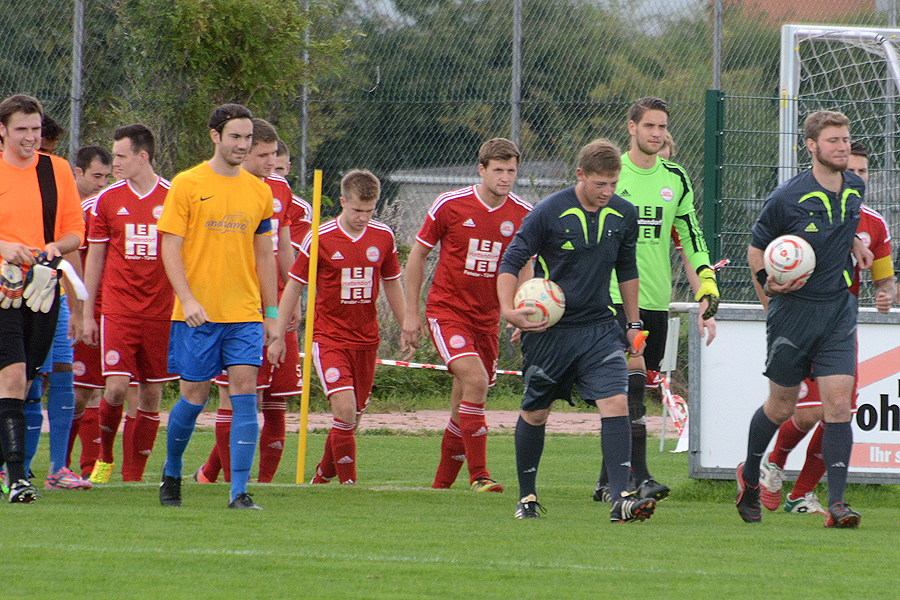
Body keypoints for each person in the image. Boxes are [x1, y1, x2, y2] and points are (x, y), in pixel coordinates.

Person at [498, 138, 656, 522]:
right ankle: (527, 497)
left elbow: (627, 269)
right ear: (581, 175)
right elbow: (512, 259)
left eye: (614, 184)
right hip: (550, 332)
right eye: (600, 183)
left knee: (616, 402)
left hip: (599, 327)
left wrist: (633, 324)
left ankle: (620, 498)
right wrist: (508, 311)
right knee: (536, 413)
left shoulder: (624, 213)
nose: (608, 191)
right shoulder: (548, 212)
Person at [737, 110, 872, 528]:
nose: (842, 147)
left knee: (839, 405)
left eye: (845, 139)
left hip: (837, 312)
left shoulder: (854, 186)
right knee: (781, 407)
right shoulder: (786, 197)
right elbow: (756, 249)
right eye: (833, 140)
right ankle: (750, 475)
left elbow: (843, 225)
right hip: (792, 316)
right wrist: (769, 291)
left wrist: (856, 244)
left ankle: (837, 504)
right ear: (811, 146)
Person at [756, 141, 894, 515]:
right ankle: (772, 463)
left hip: (841, 325)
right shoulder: (808, 208)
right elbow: (771, 253)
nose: (857, 177)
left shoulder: (874, 224)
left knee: (839, 410)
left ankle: (801, 494)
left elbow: (884, 277)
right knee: (805, 413)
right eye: (853, 170)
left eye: (863, 172)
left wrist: (886, 293)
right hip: (803, 320)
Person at [593, 97, 719, 504]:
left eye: (662, 126)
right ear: (631, 127)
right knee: (628, 384)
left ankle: (606, 480)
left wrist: (706, 287)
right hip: (611, 297)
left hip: (654, 299)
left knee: (631, 388)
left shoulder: (675, 178)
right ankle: (639, 477)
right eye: (649, 125)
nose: (657, 133)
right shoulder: (613, 173)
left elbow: (691, 239)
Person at [157, 103, 278, 509]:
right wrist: (188, 298)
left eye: (248, 137)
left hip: (244, 313)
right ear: (215, 136)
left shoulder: (260, 191)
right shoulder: (187, 184)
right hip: (198, 315)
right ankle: (173, 471)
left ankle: (238, 492)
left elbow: (264, 255)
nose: (242, 145)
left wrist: (271, 313)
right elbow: (169, 247)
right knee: (194, 396)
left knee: (245, 392)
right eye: (235, 137)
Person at [402, 138, 531, 492]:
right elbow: (417, 255)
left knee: (463, 406)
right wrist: (411, 313)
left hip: (486, 320)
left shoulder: (523, 214)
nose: (505, 178)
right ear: (482, 170)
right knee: (475, 380)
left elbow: (525, 267)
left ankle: (441, 488)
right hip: (447, 311)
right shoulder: (451, 204)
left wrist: (520, 310)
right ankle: (480, 476)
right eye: (498, 170)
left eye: (511, 171)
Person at [268, 169, 411, 485]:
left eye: (369, 210)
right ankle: (349, 485)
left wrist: (407, 324)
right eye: (357, 209)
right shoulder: (320, 237)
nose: (363, 217)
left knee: (352, 420)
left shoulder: (383, 237)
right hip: (329, 337)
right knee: (344, 410)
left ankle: (322, 477)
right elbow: (294, 285)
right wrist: (278, 335)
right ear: (343, 202)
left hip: (366, 340)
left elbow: (391, 283)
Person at [197, 118, 302, 484]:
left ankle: (262, 482)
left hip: (274, 303)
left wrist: (293, 296)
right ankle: (227, 479)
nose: (271, 162)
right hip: (234, 304)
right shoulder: (221, 186)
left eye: (274, 155)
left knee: (275, 397)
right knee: (236, 396)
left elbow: (283, 246)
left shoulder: (280, 190)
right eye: (263, 155)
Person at [0, 94, 84, 502]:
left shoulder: (57, 169)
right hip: (3, 290)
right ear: (2, 131)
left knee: (28, 379)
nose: (31, 137)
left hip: (43, 288)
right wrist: (4, 247)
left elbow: (75, 232)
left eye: (35, 129)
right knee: (13, 376)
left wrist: (55, 246)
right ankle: (18, 477)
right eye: (22, 129)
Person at [81, 124, 176, 483]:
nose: (115, 163)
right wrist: (88, 313)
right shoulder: (107, 200)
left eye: (121, 156)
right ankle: (105, 458)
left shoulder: (173, 197)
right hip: (119, 310)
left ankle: (133, 475)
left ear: (142, 156)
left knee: (151, 394)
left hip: (161, 312)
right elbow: (95, 259)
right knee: (117, 387)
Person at [68, 146, 113, 478]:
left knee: (91, 389)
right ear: (78, 173)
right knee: (74, 391)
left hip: (99, 310)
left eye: (106, 177)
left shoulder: (103, 208)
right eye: (97, 176)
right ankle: (59, 462)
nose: (102, 184)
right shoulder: (72, 211)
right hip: (69, 308)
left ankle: (90, 467)